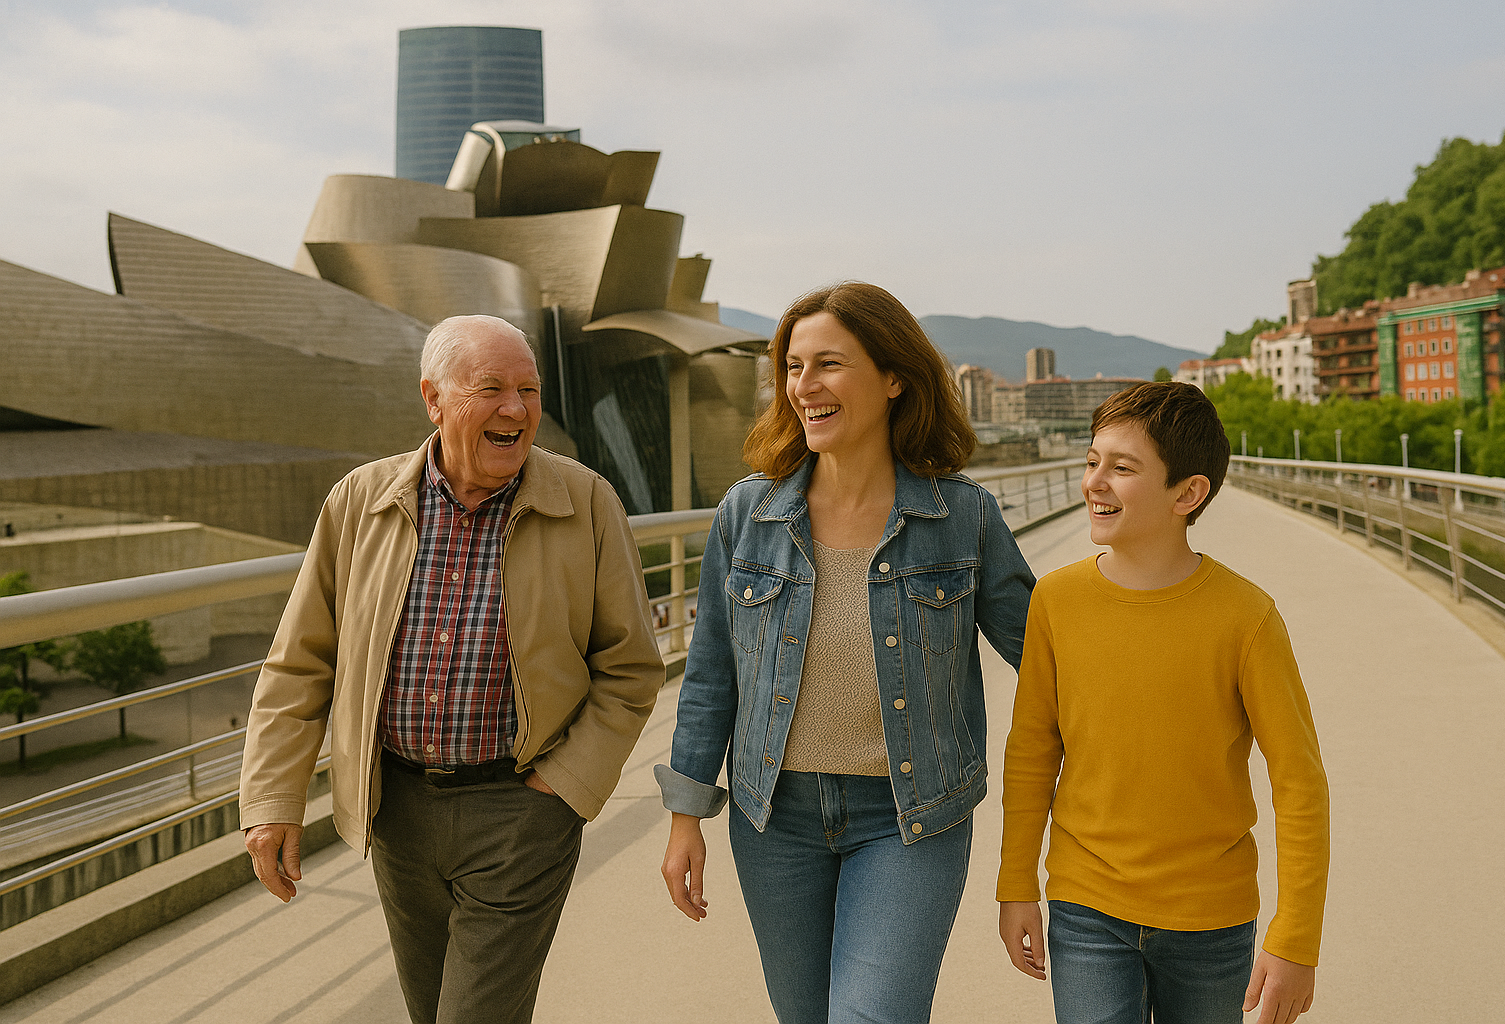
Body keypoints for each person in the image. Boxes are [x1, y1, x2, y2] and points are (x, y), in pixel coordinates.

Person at [239, 314, 664, 1024]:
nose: (516, 409)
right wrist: (272, 800)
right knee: (431, 1010)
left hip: (520, 812)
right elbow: (299, 662)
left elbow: (630, 666)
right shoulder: (358, 501)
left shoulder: (586, 501)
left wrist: (565, 786)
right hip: (396, 814)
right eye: (491, 388)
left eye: (528, 390)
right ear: (434, 400)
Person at [657, 281, 1036, 1024]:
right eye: (794, 368)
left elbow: (1053, 657)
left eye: (828, 364)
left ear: (895, 377)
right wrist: (685, 816)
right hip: (775, 821)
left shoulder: (962, 517)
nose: (805, 387)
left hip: (909, 816)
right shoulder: (749, 512)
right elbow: (710, 675)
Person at [997, 381, 1330, 1024]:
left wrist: (1297, 937)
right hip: (1085, 905)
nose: (1096, 480)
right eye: (1093, 460)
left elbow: (1299, 781)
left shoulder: (1247, 617)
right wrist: (1016, 885)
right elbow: (1032, 749)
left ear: (1187, 493)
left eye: (1122, 468)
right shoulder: (1055, 603)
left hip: (1212, 919)